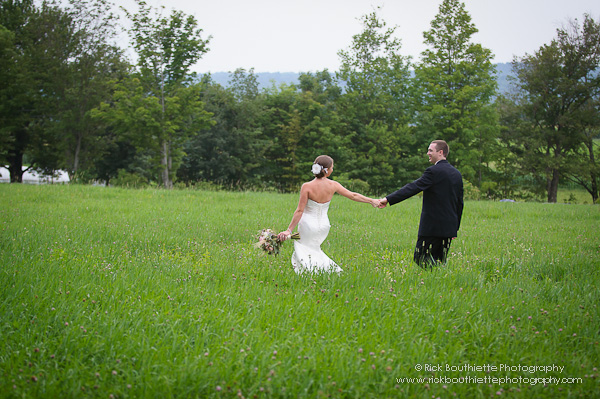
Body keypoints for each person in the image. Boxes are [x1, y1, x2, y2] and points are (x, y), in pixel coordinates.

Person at [278, 155, 379, 274]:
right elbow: (353, 195)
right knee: (314, 249)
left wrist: (289, 230)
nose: (333, 169)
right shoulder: (333, 185)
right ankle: (321, 273)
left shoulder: (307, 186)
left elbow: (300, 210)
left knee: (304, 249)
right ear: (327, 170)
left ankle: (310, 274)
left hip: (308, 225)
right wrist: (371, 200)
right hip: (324, 226)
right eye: (332, 167)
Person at [378, 140, 463, 268]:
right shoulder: (457, 174)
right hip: (448, 228)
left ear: (440, 152)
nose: (427, 153)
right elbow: (459, 203)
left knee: (421, 259)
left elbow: (413, 187)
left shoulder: (433, 171)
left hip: (432, 227)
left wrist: (388, 199)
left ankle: (428, 283)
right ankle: (435, 284)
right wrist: (454, 228)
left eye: (430, 150)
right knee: (440, 262)